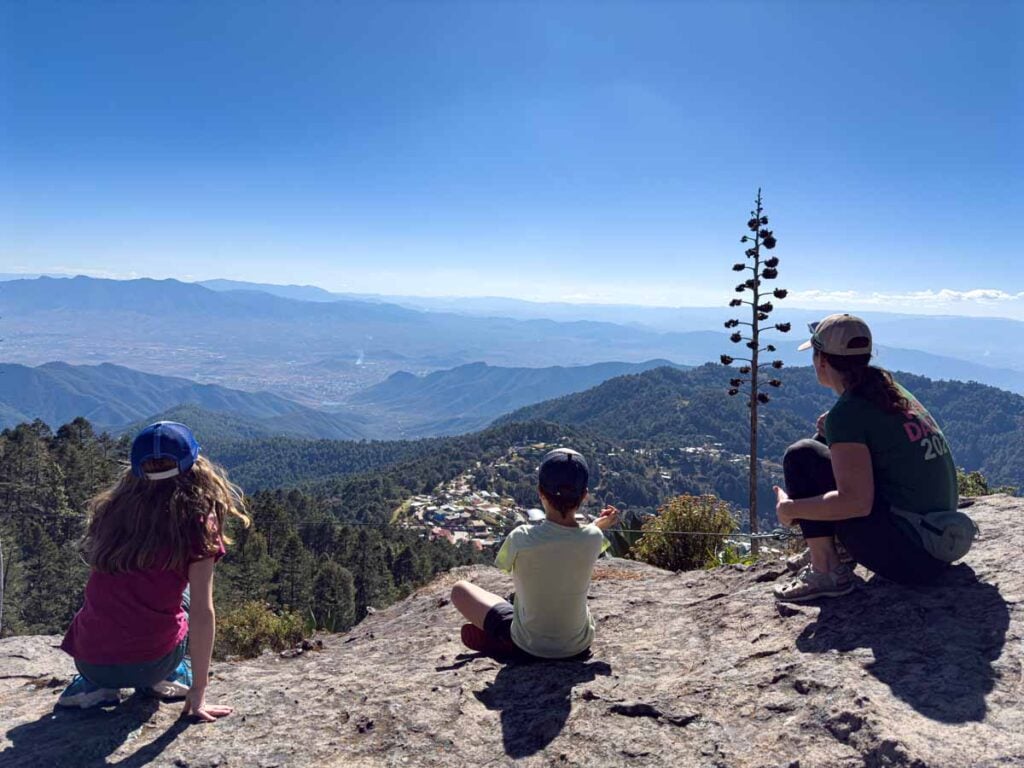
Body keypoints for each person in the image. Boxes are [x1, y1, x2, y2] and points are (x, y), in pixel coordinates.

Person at [57, 421, 249, 721]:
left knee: (109, 595)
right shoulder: (198, 524)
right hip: (152, 663)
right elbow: (202, 612)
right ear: (195, 466)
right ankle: (168, 676)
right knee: (185, 597)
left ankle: (94, 686)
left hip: (90, 660)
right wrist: (199, 690)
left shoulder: (109, 511)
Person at [772, 314, 960, 602]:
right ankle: (836, 549)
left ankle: (827, 570)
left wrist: (791, 509)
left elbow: (856, 503)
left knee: (802, 456)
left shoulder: (849, 413)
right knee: (821, 443)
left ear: (821, 360)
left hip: (913, 557)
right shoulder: (892, 391)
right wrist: (835, 432)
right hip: (940, 538)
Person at [450, 448, 620, 659]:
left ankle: (503, 641)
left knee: (460, 589)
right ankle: (503, 639)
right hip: (578, 646)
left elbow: (503, 567)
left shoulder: (521, 537)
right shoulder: (593, 537)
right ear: (584, 495)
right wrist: (598, 524)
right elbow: (580, 535)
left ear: (540, 492)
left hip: (527, 644)